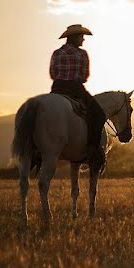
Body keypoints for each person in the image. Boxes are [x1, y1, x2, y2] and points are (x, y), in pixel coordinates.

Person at [49, 24, 107, 171]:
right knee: (99, 114)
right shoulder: (82, 54)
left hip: (57, 88)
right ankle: (92, 150)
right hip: (75, 88)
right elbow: (85, 76)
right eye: (81, 37)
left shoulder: (56, 53)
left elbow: (52, 73)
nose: (83, 40)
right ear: (75, 38)